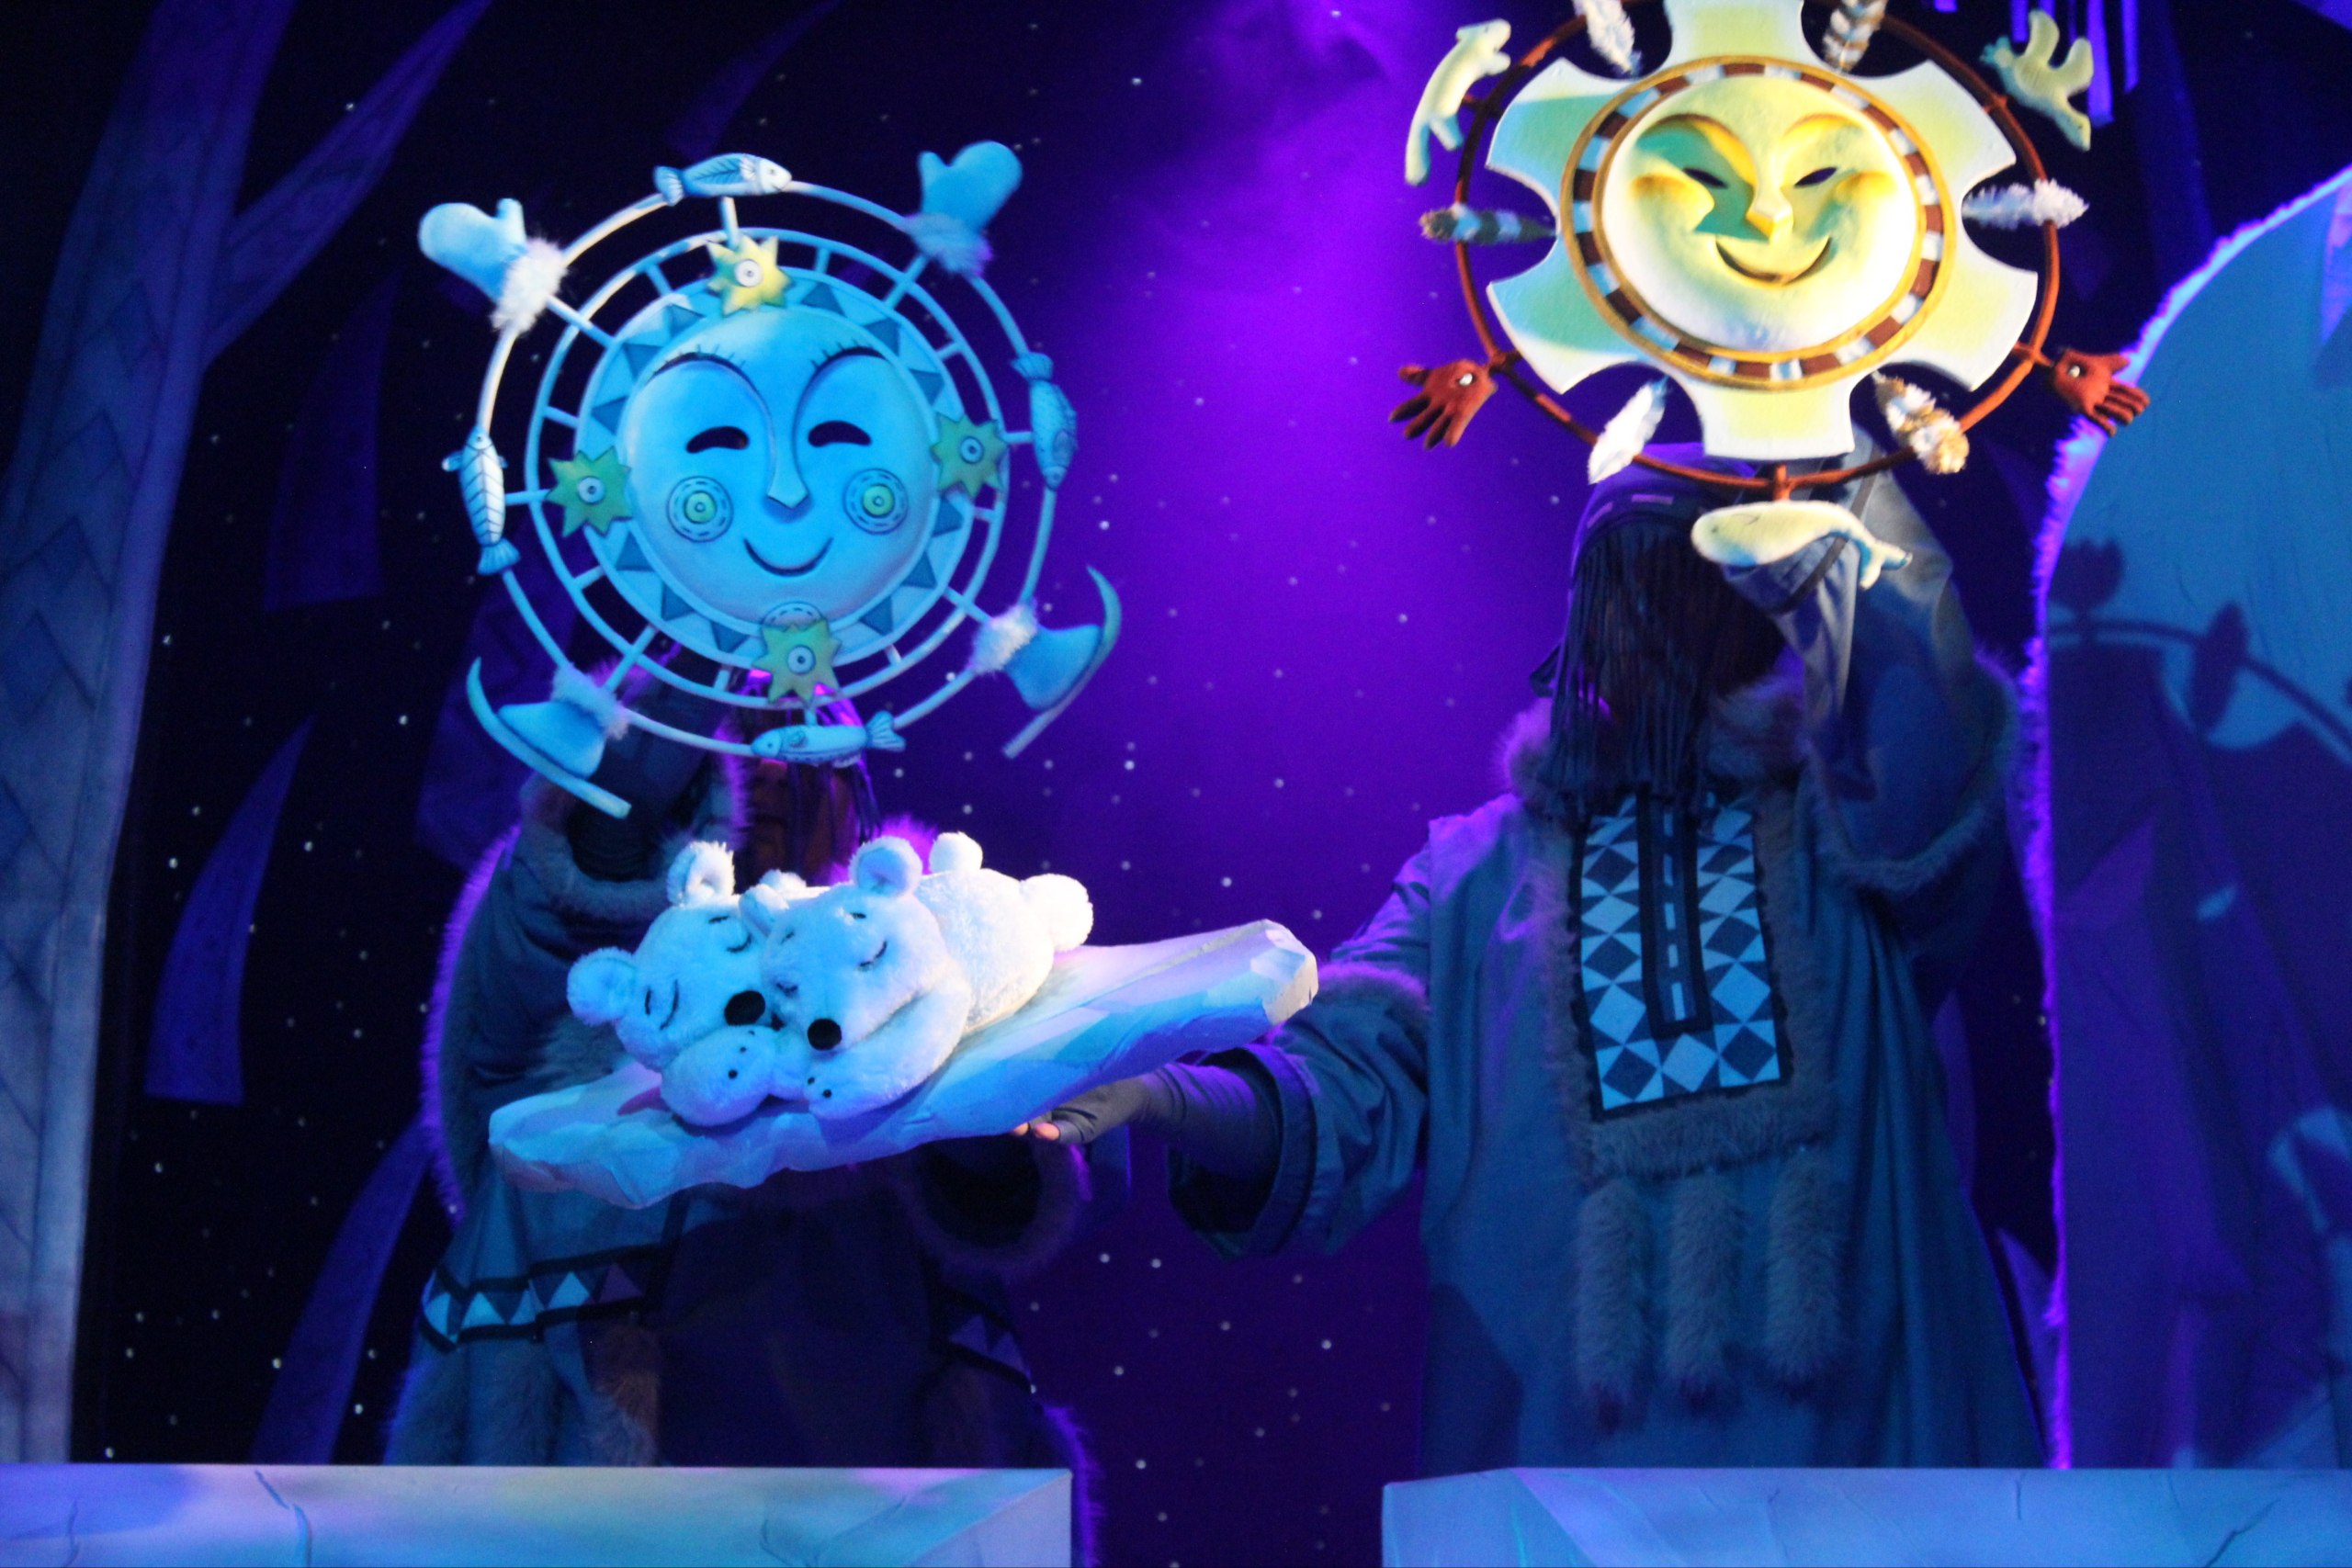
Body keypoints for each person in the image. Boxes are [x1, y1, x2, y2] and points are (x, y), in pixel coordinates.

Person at [1026, 449, 2043, 1471]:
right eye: (1618, 589)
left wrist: (1825, 447)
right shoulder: (1473, 879)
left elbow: (1925, 712)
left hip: (1862, 1482)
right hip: (1563, 1492)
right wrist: (1161, 1093)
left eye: (1684, 585)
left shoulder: (1848, 833)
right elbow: (1333, 1089)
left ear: (1752, 610)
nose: (1645, 626)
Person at [387, 685, 1114, 1472]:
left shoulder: (938, 950)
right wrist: (698, 656)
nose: (767, 768)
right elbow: (586, 850)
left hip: (875, 1443)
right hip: (589, 1438)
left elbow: (1074, 1169)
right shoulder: (591, 957)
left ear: (857, 795)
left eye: (802, 748)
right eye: (738, 745)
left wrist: (972, 1116)